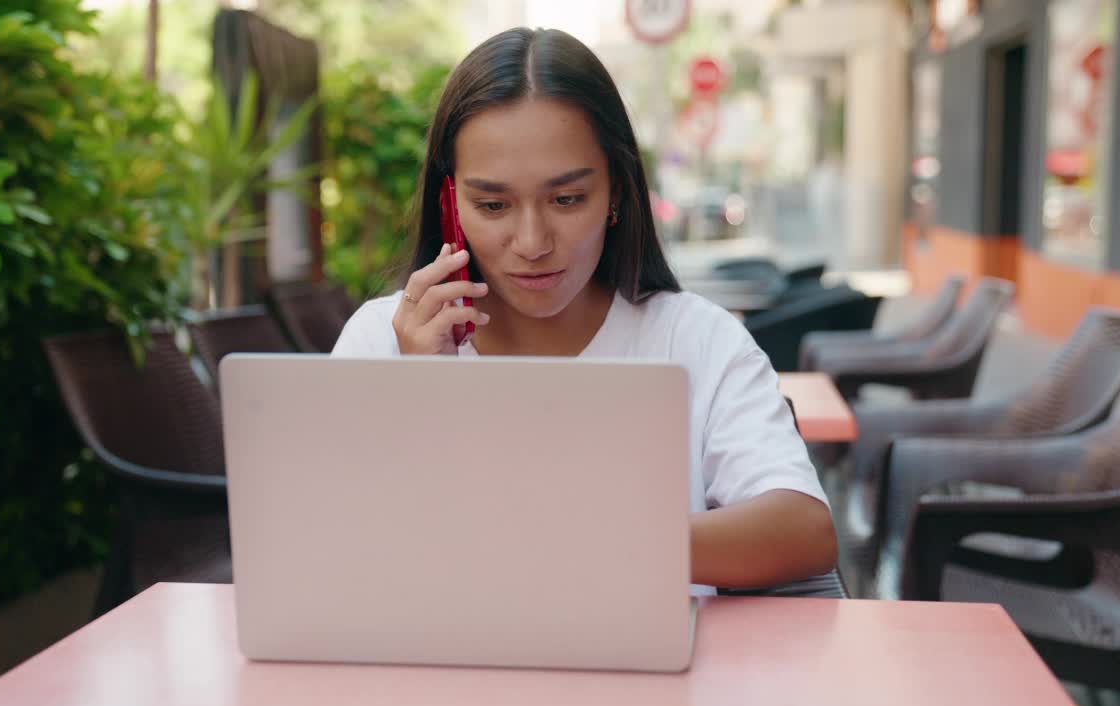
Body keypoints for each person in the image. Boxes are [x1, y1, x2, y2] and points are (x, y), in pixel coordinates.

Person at [332, 27, 837, 590]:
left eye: (567, 199)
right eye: (492, 204)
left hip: (656, 674)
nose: (532, 241)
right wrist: (411, 396)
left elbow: (804, 531)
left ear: (617, 191)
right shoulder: (382, 341)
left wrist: (580, 541)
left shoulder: (693, 339)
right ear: (450, 203)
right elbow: (330, 548)